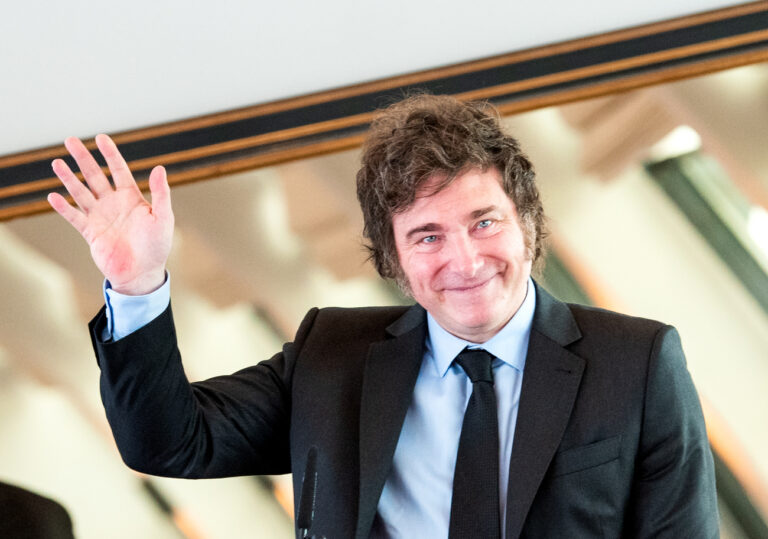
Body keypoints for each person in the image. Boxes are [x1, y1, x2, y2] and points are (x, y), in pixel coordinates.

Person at [48, 95, 718, 538]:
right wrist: (136, 284)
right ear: (393, 259)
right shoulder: (332, 355)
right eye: (427, 236)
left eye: (484, 221)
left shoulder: (637, 363)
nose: (465, 258)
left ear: (529, 223)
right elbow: (170, 441)